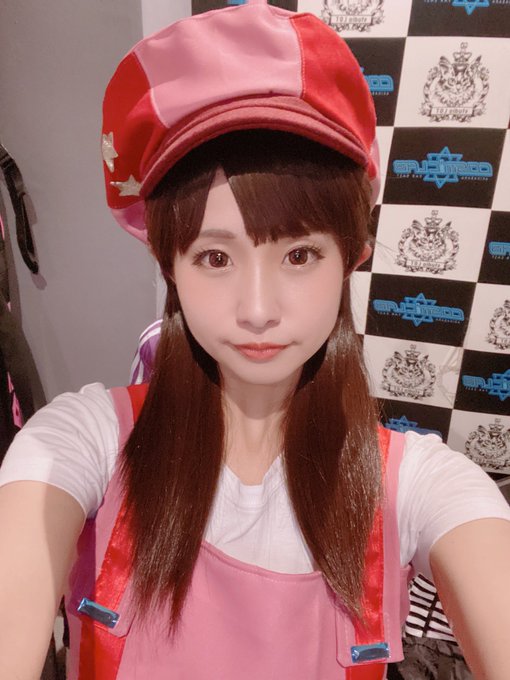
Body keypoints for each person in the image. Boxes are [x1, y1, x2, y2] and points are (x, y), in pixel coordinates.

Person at [0, 2, 509, 679]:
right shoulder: (84, 439)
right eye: (215, 258)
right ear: (170, 265)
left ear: (352, 254)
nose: (259, 310)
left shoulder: (416, 485)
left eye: (299, 255)